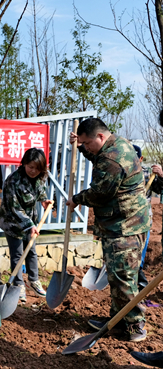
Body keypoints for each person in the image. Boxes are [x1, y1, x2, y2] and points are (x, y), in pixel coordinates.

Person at [67, 117, 150, 342]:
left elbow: (101, 193)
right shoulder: (114, 145)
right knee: (116, 276)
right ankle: (118, 320)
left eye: (86, 143)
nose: (84, 147)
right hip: (120, 224)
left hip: (125, 227)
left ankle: (134, 326)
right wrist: (82, 147)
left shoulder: (113, 158)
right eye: (81, 144)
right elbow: (96, 155)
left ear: (100, 137)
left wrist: (77, 199)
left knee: (123, 277)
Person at [0, 148, 53, 303]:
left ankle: (34, 280)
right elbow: (14, 208)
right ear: (24, 164)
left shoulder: (40, 177)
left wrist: (44, 200)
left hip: (30, 222)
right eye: (30, 167)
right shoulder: (12, 181)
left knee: (31, 251)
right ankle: (18, 284)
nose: (33, 171)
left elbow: (40, 191)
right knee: (17, 253)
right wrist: (29, 225)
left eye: (37, 168)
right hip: (12, 222)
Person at [133, 144, 163, 291]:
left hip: (143, 220)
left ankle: (140, 289)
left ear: (140, 158)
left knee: (140, 256)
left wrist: (161, 176)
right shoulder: (120, 172)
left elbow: (158, 189)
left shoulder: (146, 174)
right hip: (125, 221)